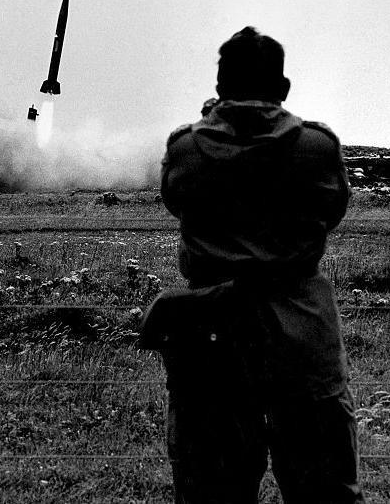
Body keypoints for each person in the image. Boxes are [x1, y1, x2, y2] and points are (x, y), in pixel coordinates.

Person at [146, 27, 363, 503]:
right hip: (302, 338)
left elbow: (175, 200)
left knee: (211, 490)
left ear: (220, 86)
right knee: (324, 489)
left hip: (212, 339)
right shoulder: (317, 148)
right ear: (283, 89)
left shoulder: (185, 149)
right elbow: (332, 213)